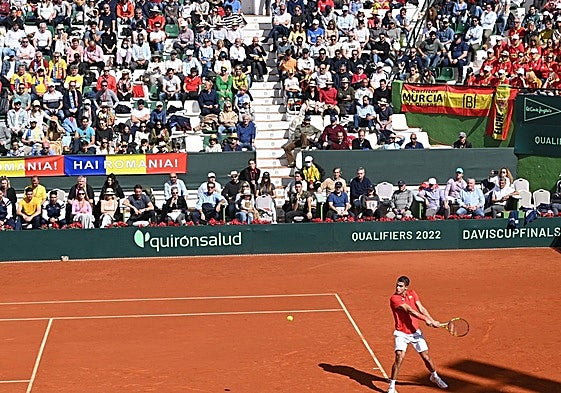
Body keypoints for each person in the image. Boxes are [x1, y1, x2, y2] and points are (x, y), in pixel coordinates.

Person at [387, 276, 448, 393]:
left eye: (400, 286)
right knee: (399, 356)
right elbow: (410, 310)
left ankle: (434, 376)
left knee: (426, 358)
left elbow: (421, 308)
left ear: (406, 288)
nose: (397, 288)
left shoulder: (412, 293)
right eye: (397, 285)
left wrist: (432, 320)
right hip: (401, 333)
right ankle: (392, 386)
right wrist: (426, 320)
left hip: (415, 332)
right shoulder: (394, 298)